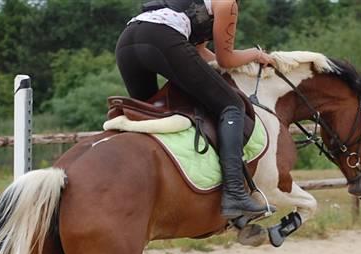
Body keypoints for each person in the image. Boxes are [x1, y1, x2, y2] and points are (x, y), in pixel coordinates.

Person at [115, 0, 275, 219]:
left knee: (150, 117)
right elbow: (226, 60)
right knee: (232, 105)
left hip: (128, 42)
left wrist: (238, 61)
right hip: (161, 39)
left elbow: (200, 54)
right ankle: (235, 193)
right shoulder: (227, 3)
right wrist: (256, 55)